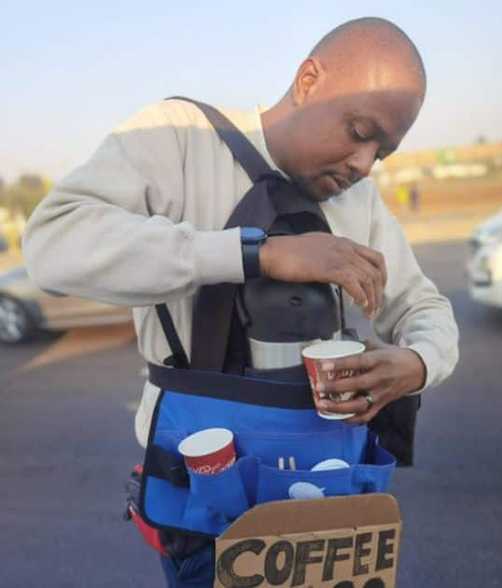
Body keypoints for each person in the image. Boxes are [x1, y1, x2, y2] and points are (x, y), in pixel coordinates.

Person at [22, 17, 459, 586]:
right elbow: (53, 245)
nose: (363, 163)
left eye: (383, 152)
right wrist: (256, 256)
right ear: (308, 80)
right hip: (209, 514)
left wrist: (418, 363)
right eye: (359, 130)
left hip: (335, 506)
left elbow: (425, 308)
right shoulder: (179, 136)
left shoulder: (361, 201)